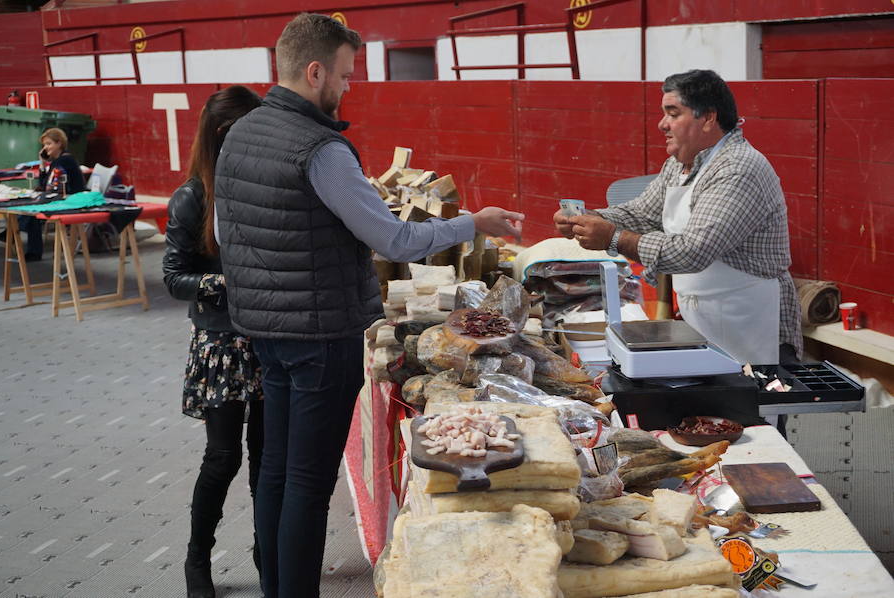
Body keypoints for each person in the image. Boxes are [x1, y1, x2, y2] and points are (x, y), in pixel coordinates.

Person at [213, 13, 523, 597]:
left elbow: (227, 235)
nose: (348, 86)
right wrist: (472, 222)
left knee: (276, 472)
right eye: (345, 75)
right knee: (306, 483)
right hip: (319, 335)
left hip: (265, 329)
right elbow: (395, 239)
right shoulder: (321, 149)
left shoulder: (242, 133)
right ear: (314, 72)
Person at [554, 69, 801, 365]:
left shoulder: (738, 169)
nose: (662, 124)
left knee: (753, 392)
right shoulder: (679, 164)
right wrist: (589, 218)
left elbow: (692, 252)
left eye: (673, 114)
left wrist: (613, 238)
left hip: (750, 324)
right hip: (705, 321)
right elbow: (643, 214)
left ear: (708, 118)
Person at [162, 85, 265, 598]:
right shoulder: (192, 196)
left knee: (267, 458)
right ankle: (196, 558)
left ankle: (267, 553)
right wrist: (222, 283)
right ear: (226, 133)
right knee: (223, 459)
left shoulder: (257, 183)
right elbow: (173, 276)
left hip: (267, 337)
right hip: (221, 344)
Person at [0, 127, 85, 261]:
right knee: (32, 210)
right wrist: (42, 164)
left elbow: (47, 185)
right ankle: (19, 239)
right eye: (44, 145)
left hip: (71, 198)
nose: (45, 148)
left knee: (32, 210)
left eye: (49, 144)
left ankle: (14, 234)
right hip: (61, 194)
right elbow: (45, 184)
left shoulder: (63, 161)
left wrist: (45, 171)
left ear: (59, 143)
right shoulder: (58, 160)